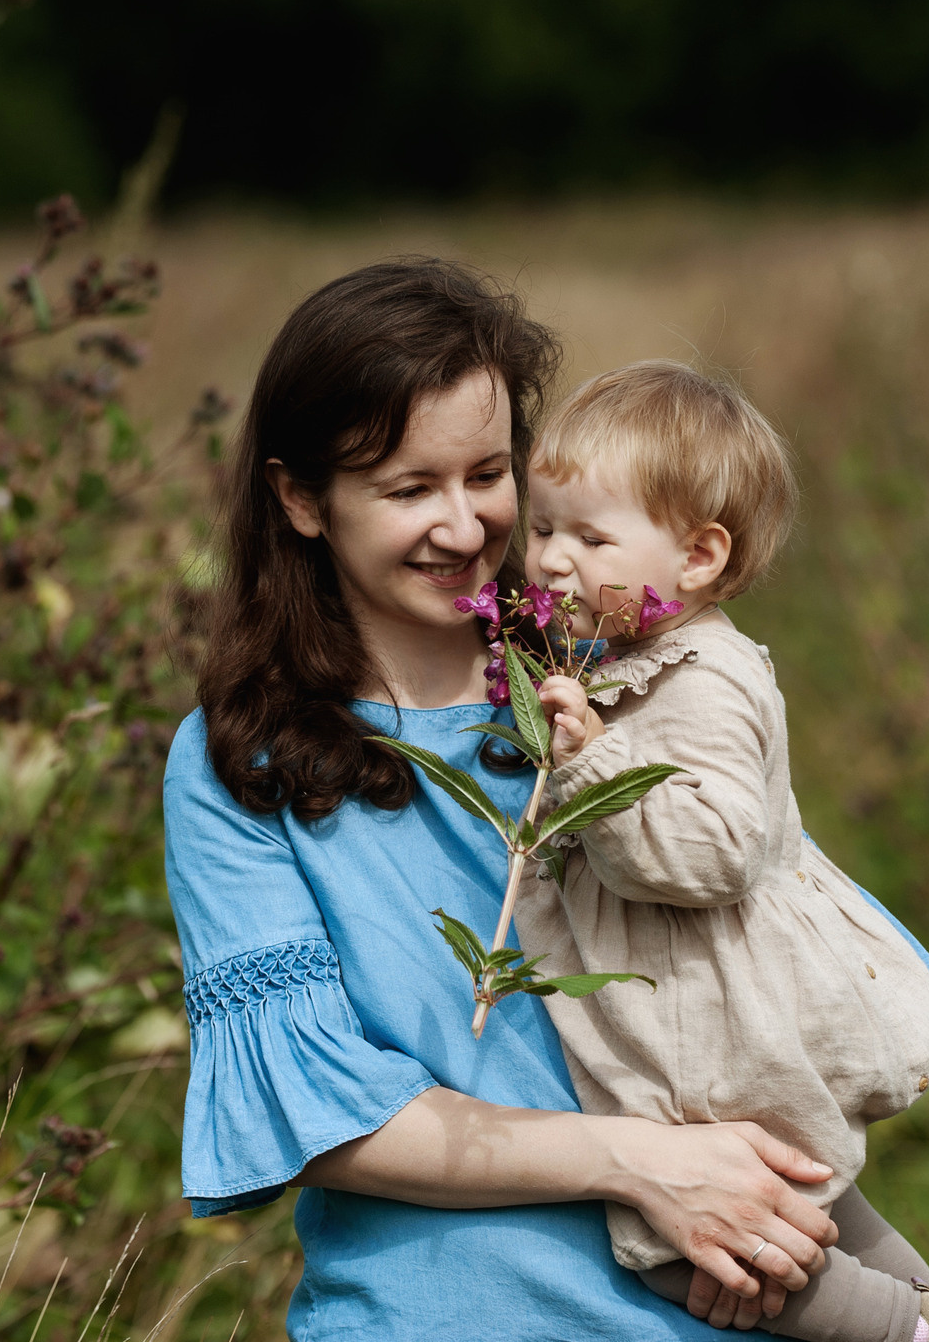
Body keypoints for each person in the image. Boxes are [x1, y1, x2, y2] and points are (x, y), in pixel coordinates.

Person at [166, 259, 839, 1339]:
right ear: (299, 499)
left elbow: (760, 972)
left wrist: (813, 1232)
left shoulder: (613, 680)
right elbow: (323, 1115)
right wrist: (641, 1166)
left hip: (714, 1292)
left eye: (487, 474)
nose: (465, 525)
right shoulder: (240, 758)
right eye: (405, 489)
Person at [518, 361, 929, 1342]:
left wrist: (588, 758)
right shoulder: (627, 658)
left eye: (589, 536)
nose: (550, 562)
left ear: (696, 558)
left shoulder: (707, 681)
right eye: (541, 529)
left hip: (714, 1026)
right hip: (703, 1011)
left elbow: (710, 854)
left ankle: (918, 1332)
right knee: (808, 1195)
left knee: (692, 1249)